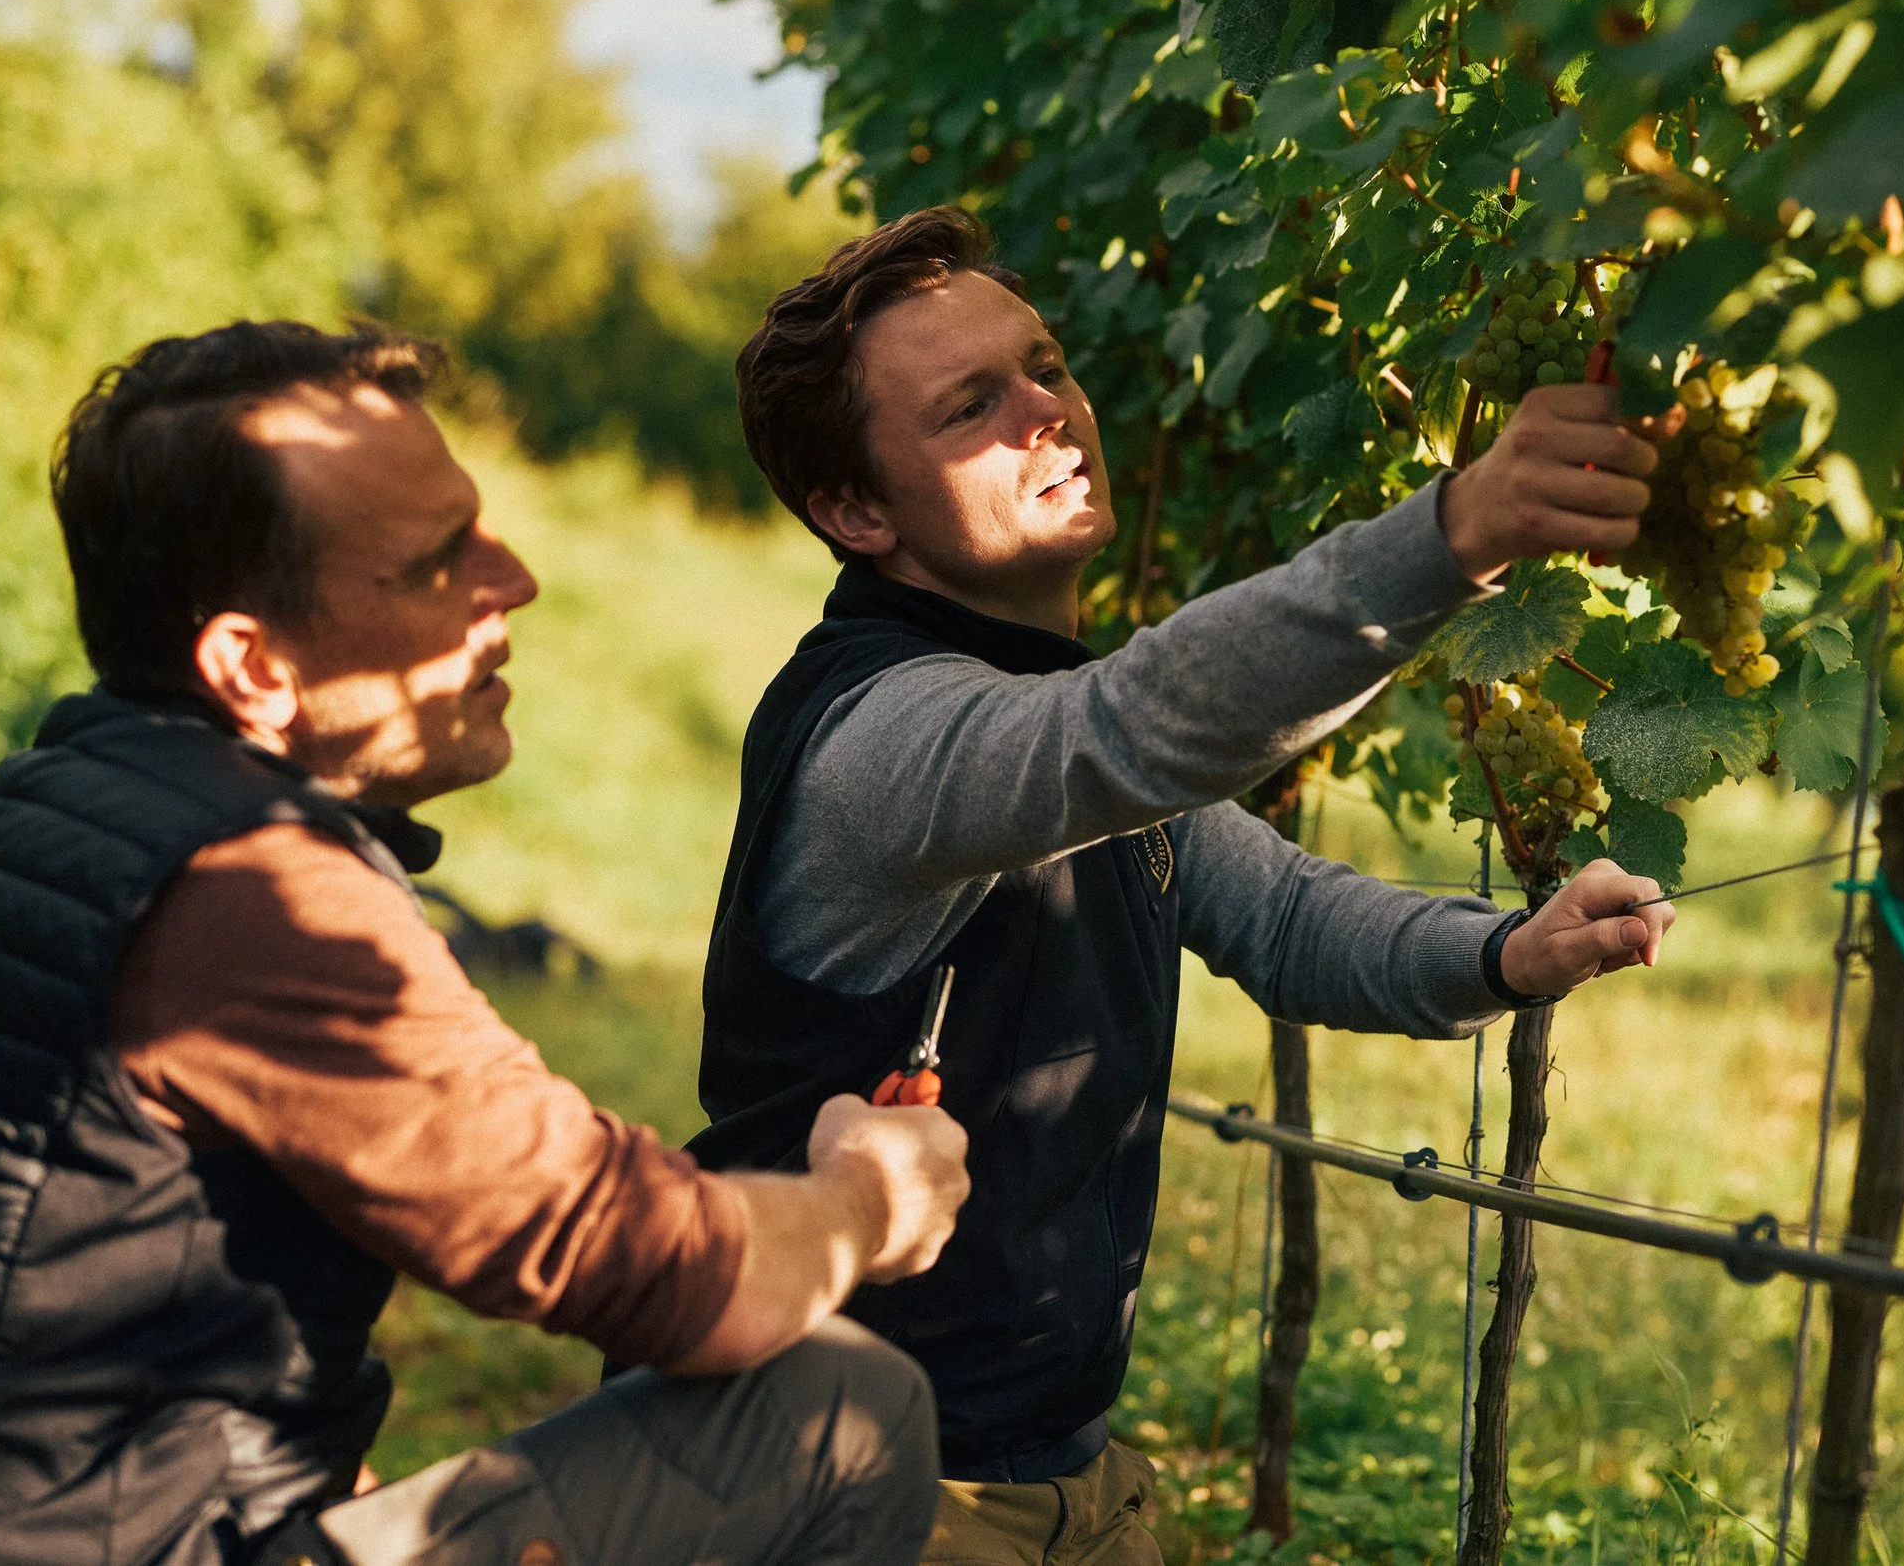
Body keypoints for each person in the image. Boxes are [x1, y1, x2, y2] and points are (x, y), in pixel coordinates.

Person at [0, 322, 971, 1566]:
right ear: (251, 667)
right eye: (438, 564)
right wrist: (869, 1198)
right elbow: (657, 1267)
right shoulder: (258, 894)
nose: (514, 581)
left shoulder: (61, 806)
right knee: (842, 1415)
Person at [692, 209, 1680, 1564]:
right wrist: (1456, 535)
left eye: (1042, 366)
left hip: (1063, 1474)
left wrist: (1510, 955)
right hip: (867, 1489)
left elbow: (1274, 911)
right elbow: (1131, 728)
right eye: (972, 405)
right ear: (858, 511)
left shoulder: (1037, 715)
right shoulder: (889, 741)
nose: (1049, 411)